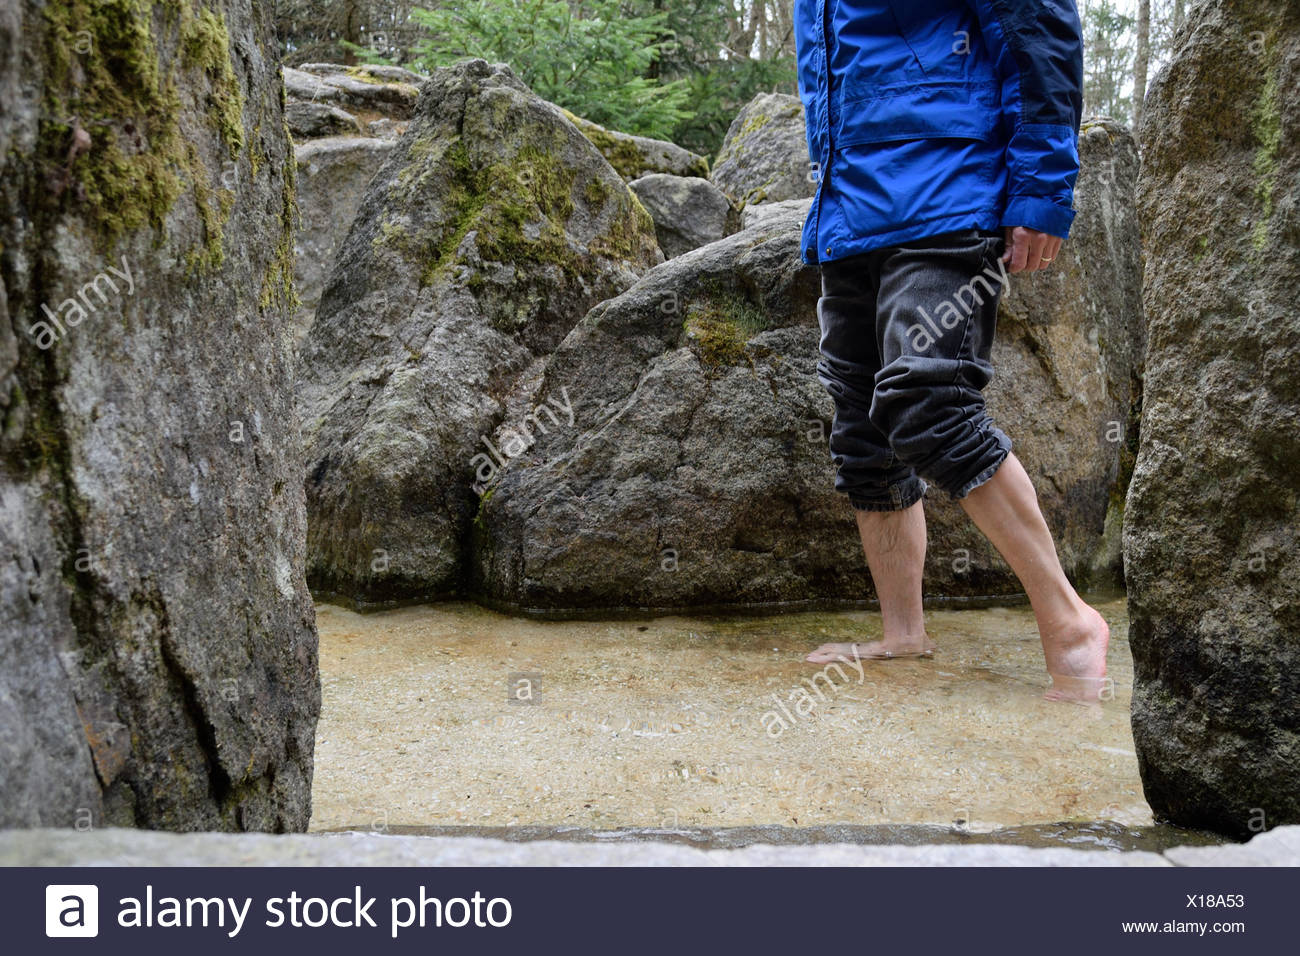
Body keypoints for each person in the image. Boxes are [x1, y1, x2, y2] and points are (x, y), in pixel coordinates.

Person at [794, 0, 1109, 701]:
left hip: (948, 185)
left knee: (927, 396)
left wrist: (1042, 186)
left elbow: (1039, 25)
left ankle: (1069, 618)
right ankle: (903, 634)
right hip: (848, 204)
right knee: (861, 428)